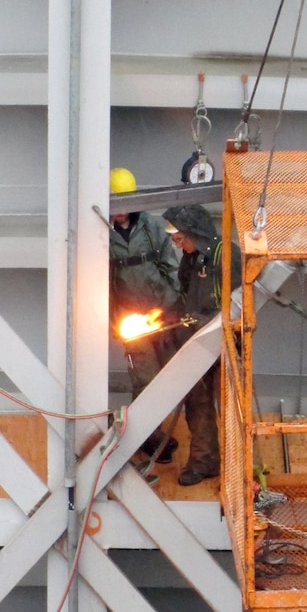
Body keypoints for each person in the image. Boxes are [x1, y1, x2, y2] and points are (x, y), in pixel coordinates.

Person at [162, 204, 241, 486]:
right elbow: (184, 294)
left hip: (225, 341)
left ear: (196, 233)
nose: (179, 246)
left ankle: (241, 467)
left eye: (181, 239)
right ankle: (204, 461)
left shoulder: (227, 255)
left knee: (233, 406)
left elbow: (239, 301)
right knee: (198, 403)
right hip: (197, 342)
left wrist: (204, 321)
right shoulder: (191, 259)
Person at [109, 167, 180, 461]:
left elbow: (170, 266)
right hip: (130, 323)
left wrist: (170, 304)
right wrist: (114, 321)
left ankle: (150, 432)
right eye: (117, 204)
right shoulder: (102, 235)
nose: (122, 211)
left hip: (161, 316)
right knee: (146, 379)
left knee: (168, 379)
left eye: (127, 203)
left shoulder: (151, 227)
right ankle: (145, 437)